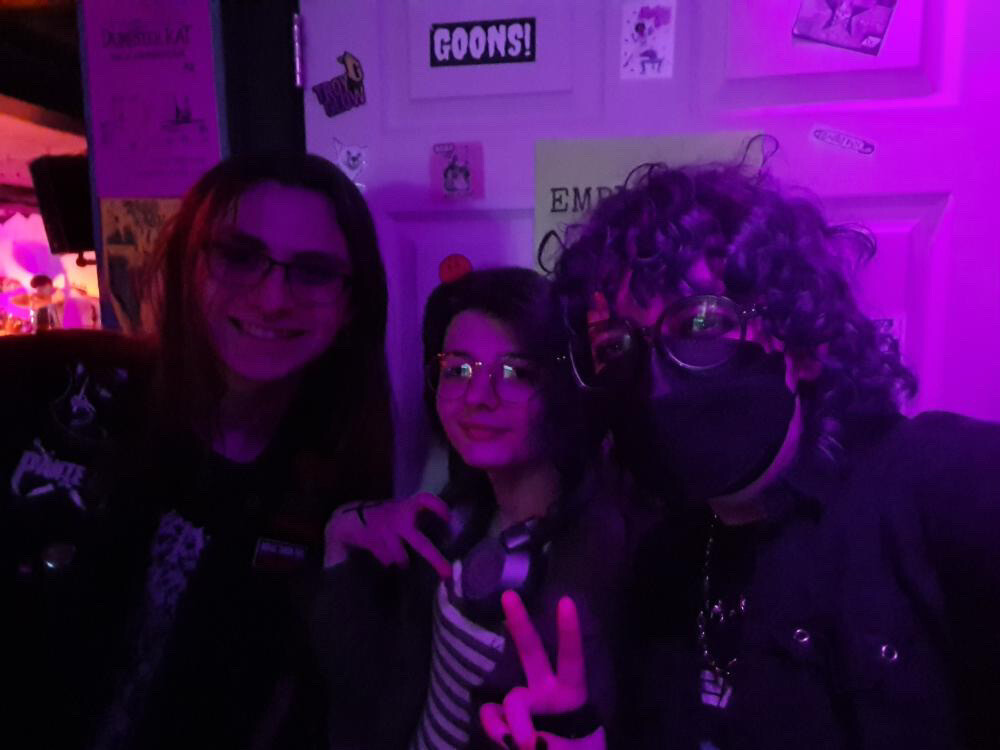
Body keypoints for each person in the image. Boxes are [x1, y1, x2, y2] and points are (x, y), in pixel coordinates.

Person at [488, 146, 1000, 749]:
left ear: (801, 342)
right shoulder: (661, 565)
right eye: (616, 346)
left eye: (701, 324)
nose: (657, 382)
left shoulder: (934, 488)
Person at [1, 152, 394, 749]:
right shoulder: (53, 384)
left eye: (313, 271)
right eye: (239, 256)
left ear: (351, 308)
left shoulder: (334, 490)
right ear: (189, 265)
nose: (272, 298)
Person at [312, 267, 626, 749]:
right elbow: (363, 681)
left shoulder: (594, 557)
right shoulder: (455, 513)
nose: (478, 397)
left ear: (563, 388)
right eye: (458, 370)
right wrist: (340, 536)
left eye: (515, 373)